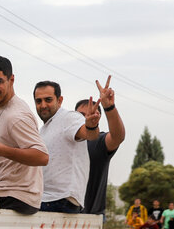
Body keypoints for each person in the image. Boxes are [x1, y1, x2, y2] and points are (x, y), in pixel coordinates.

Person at [0, 55, 49, 214]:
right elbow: (15, 149)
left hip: (13, 197)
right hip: (11, 194)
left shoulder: (15, 116)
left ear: (11, 80)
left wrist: (1, 151)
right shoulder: (4, 107)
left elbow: (42, 156)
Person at [33, 80, 100, 213]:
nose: (43, 105)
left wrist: (92, 126)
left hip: (60, 201)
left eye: (48, 100)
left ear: (60, 100)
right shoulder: (43, 130)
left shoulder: (69, 118)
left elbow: (89, 134)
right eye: (38, 101)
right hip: (46, 200)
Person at [75, 76, 126, 215]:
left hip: (92, 218)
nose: (88, 117)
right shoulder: (66, 141)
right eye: (82, 115)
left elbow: (118, 136)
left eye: (93, 113)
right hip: (63, 214)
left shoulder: (99, 141)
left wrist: (109, 107)